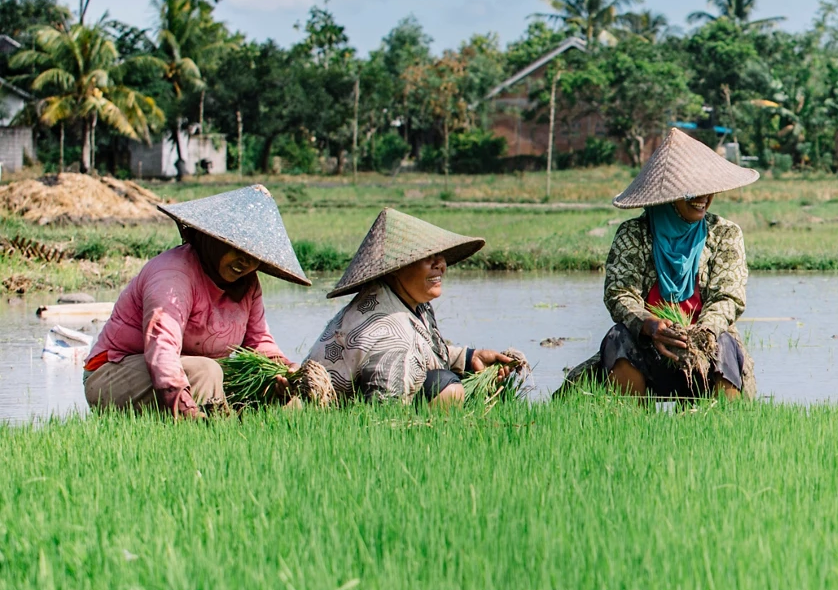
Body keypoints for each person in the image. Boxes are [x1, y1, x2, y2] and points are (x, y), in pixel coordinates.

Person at [83, 184, 313, 417]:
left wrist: (282, 368)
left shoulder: (248, 284)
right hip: (112, 375)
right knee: (206, 371)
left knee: (276, 389)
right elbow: (162, 348)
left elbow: (258, 342)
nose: (244, 262)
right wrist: (185, 408)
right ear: (212, 239)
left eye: (253, 256)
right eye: (236, 248)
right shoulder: (174, 275)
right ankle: (201, 434)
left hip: (190, 372)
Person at [575, 129, 758, 399]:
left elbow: (728, 297)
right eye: (692, 191)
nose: (703, 197)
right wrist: (650, 325)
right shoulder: (634, 234)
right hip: (650, 346)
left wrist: (702, 333)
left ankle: (721, 426)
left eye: (709, 189)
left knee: (725, 342)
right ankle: (631, 426)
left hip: (705, 345)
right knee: (618, 337)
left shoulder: (724, 233)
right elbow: (619, 293)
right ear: (667, 196)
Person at [306, 208, 526, 404]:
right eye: (427, 257)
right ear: (394, 268)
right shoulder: (390, 332)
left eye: (440, 256)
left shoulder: (399, 298)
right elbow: (383, 407)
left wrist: (469, 358)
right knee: (447, 387)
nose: (440, 265)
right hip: (335, 409)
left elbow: (420, 350)